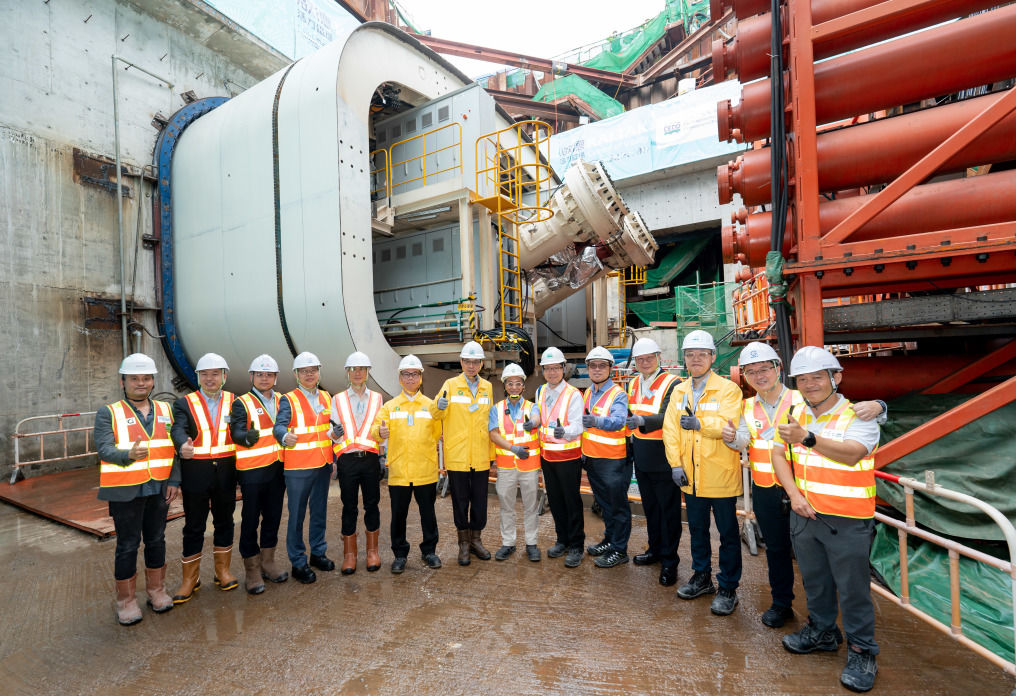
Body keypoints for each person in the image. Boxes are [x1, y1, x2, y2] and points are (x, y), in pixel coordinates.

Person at [722, 342, 888, 628]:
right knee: (777, 551)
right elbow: (743, 441)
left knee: (818, 560)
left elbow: (845, 410)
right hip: (767, 490)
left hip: (806, 490)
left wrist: (881, 407)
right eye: (751, 372)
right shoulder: (746, 406)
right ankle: (782, 604)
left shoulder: (802, 397)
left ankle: (830, 623)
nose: (759, 376)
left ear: (778, 369)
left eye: (764, 369)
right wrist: (731, 438)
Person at [770, 346, 881, 694]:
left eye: (817, 377)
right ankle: (822, 632)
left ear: (836, 378)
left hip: (847, 518)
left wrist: (808, 438)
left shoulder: (859, 415)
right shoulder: (794, 412)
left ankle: (862, 651)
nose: (810, 384)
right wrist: (794, 495)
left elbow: (852, 455)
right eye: (803, 379)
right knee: (815, 580)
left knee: (853, 589)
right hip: (805, 514)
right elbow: (778, 454)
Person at [662, 330, 743, 616]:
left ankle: (728, 587)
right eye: (690, 355)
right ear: (684, 358)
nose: (695, 359)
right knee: (697, 530)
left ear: (712, 357)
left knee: (727, 534)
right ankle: (702, 577)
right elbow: (670, 430)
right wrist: (675, 464)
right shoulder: (679, 391)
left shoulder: (728, 389)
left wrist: (701, 424)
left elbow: (728, 425)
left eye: (701, 354)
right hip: (691, 477)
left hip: (719, 475)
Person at [95, 353, 179, 625]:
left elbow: (175, 450)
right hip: (126, 490)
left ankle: (156, 591)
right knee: (128, 544)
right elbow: (104, 449)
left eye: (146, 378)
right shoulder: (109, 412)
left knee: (156, 540)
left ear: (153, 381)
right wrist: (127, 455)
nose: (141, 383)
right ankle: (126, 601)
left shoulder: (166, 410)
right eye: (134, 378)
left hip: (159, 488)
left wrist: (174, 481)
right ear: (123, 382)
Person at [170, 352, 238, 603]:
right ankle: (190, 579)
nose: (210, 379)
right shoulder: (185, 403)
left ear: (224, 376)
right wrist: (181, 444)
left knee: (225, 521)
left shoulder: (235, 401)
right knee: (194, 525)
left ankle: (222, 572)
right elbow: (177, 428)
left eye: (215, 374)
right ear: (198, 377)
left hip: (226, 473)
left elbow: (242, 431)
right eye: (205, 374)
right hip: (196, 472)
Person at [371, 355, 442, 573]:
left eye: (414, 374)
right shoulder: (390, 407)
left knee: (428, 514)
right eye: (406, 374)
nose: (410, 378)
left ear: (420, 377)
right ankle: (400, 554)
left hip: (425, 470)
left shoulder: (431, 406)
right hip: (400, 471)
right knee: (398, 516)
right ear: (400, 378)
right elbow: (375, 430)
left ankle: (429, 551)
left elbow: (437, 434)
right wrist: (380, 432)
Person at [229, 354, 289, 594]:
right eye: (260, 374)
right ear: (252, 376)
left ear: (276, 377)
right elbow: (235, 431)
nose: (265, 378)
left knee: (273, 517)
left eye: (269, 374)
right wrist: (245, 437)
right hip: (252, 471)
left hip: (278, 469)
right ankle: (252, 569)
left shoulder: (284, 400)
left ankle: (268, 561)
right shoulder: (241, 403)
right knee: (250, 520)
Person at [273, 351, 335, 584]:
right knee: (297, 516)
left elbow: (331, 428)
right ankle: (298, 562)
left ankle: (318, 553)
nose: (309, 375)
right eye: (304, 371)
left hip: (323, 464)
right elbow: (279, 426)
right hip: (298, 467)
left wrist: (334, 451)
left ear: (319, 372)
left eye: (313, 370)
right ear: (296, 374)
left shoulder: (327, 397)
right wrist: (284, 436)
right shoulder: (288, 399)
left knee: (319, 512)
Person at [624, 337, 682, 586]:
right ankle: (655, 549)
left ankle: (670, 561)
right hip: (642, 455)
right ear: (635, 362)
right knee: (651, 508)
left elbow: (669, 416)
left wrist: (642, 421)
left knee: (668, 511)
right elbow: (631, 410)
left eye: (649, 358)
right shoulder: (634, 382)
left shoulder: (672, 383)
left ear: (658, 357)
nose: (645, 362)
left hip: (664, 455)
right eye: (640, 359)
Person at [433, 341, 494, 566]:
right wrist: (438, 405)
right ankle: (464, 544)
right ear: (461, 362)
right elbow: (435, 414)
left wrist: (492, 453)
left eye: (475, 362)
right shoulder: (450, 385)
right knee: (460, 501)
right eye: (467, 361)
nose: (471, 366)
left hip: (480, 455)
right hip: (457, 455)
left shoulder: (487, 387)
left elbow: (490, 421)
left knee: (480, 501)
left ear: (481, 364)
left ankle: (476, 540)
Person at [525, 346, 585, 568]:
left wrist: (565, 432)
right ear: (543, 371)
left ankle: (576, 545)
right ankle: (563, 540)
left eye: (555, 368)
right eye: (547, 369)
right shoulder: (541, 391)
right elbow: (540, 415)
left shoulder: (573, 394)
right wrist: (533, 422)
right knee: (556, 501)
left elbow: (579, 425)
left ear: (563, 368)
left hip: (568, 457)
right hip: (547, 457)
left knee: (571, 502)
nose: (551, 372)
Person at [329, 351, 385, 574]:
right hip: (347, 461)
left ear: (368, 372)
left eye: (362, 369)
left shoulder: (377, 398)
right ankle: (349, 555)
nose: (358, 373)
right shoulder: (338, 399)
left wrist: (382, 455)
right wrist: (334, 434)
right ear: (347, 372)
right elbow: (332, 433)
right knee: (349, 506)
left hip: (370, 459)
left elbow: (381, 430)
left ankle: (372, 552)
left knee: (372, 504)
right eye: (353, 369)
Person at [581, 346, 632, 569]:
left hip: (612, 461)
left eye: (602, 365)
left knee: (617, 507)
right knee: (605, 505)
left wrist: (596, 421)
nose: (597, 369)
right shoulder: (588, 392)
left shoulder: (618, 394)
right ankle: (610, 540)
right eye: (593, 365)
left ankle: (619, 550)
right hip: (592, 459)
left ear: (610, 368)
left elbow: (619, 421)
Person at [487, 363, 541, 562]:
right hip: (506, 465)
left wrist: (532, 423)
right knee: (506, 506)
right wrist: (513, 449)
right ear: (505, 386)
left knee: (530, 506)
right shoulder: (496, 409)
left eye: (518, 383)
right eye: (510, 383)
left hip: (529, 466)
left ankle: (531, 544)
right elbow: (494, 434)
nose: (514, 387)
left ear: (523, 386)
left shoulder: (531, 407)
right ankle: (508, 543)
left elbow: (537, 418)